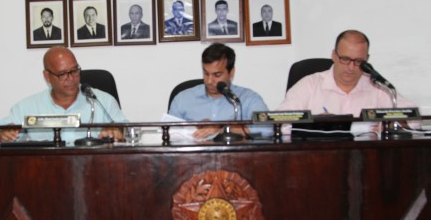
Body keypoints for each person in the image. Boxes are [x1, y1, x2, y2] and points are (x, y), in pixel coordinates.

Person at [0, 46, 126, 144]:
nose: (71, 78)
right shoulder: (26, 107)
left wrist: (118, 130)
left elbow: (128, 130)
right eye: (62, 74)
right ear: (47, 76)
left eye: (74, 70)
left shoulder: (103, 101)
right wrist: (1, 135)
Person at [277, 30, 418, 117]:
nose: (351, 67)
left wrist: (390, 123)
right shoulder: (310, 85)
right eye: (345, 59)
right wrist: (315, 123)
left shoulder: (378, 87)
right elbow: (281, 121)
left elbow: (414, 117)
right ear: (334, 55)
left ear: (367, 59)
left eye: (358, 61)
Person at [169, 43, 272, 139]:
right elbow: (169, 134)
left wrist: (223, 129)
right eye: (206, 73)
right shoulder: (182, 99)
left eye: (217, 75)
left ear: (231, 72)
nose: (209, 81)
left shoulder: (249, 99)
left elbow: (268, 128)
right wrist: (193, 128)